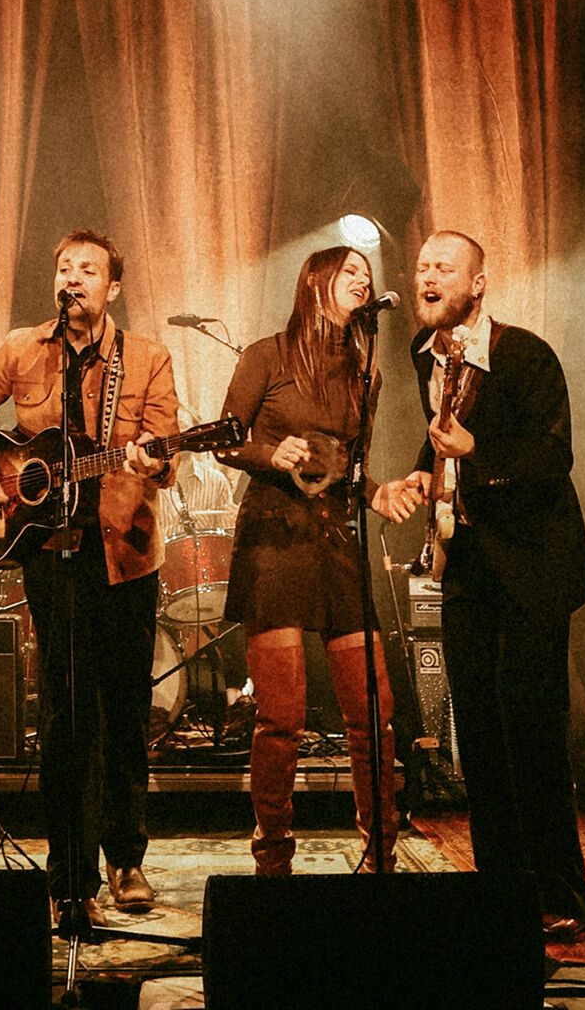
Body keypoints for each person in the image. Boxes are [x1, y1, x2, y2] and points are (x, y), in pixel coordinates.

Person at [0, 229, 179, 927]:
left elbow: (168, 448)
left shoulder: (149, 358)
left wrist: (151, 463)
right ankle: (68, 873)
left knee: (127, 705)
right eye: (65, 267)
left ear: (113, 288)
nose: (74, 278)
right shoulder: (21, 348)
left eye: (89, 270)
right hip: (48, 553)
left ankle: (126, 858)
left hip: (125, 554)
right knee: (65, 713)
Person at [379, 230, 585, 939]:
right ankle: (501, 892)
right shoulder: (425, 355)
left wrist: (477, 457)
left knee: (530, 727)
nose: (426, 276)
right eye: (420, 267)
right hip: (468, 560)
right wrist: (424, 468)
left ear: (478, 283)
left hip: (534, 560)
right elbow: (445, 430)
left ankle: (565, 892)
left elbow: (553, 454)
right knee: (476, 728)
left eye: (444, 266)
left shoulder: (525, 354)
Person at [217, 245, 405, 876]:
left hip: (338, 543)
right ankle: (273, 854)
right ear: (316, 280)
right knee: (283, 716)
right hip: (275, 544)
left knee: (371, 710)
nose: (362, 280)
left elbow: (350, 468)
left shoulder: (364, 371)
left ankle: (381, 849)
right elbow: (225, 439)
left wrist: (379, 492)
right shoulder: (265, 355)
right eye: (349, 271)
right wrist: (273, 453)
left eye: (367, 275)